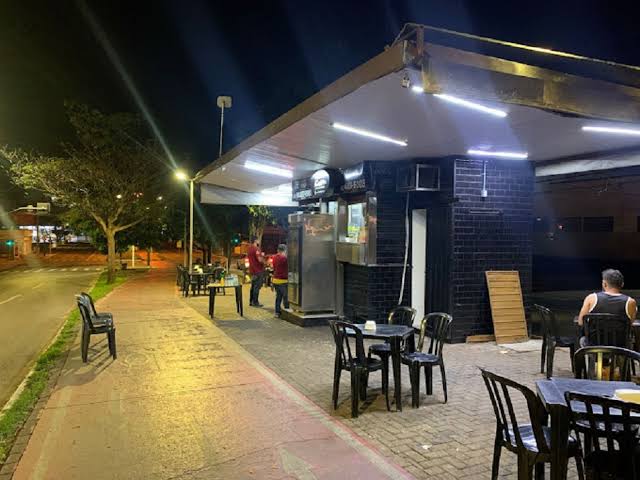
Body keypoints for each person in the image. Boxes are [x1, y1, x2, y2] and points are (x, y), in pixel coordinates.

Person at [577, 268, 637, 346]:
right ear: (622, 284)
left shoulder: (591, 298)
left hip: (594, 345)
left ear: (604, 284)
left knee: (583, 339)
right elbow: (630, 324)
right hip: (619, 346)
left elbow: (581, 322)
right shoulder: (630, 302)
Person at [272, 244, 289, 317]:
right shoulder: (284, 258)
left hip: (275, 280)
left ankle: (277, 312)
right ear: (284, 250)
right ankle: (287, 311)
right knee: (286, 297)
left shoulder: (274, 257)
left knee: (278, 297)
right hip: (282, 281)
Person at [247, 236, 265, 307]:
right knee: (257, 287)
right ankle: (255, 302)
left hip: (252, 270)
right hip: (258, 270)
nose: (259, 241)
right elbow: (260, 260)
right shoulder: (256, 249)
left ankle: (251, 301)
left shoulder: (249, 249)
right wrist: (264, 261)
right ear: (255, 241)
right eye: (258, 240)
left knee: (253, 286)